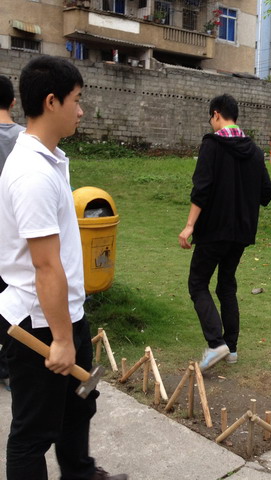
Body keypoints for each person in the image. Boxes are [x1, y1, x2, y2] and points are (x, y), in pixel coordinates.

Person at [0, 56, 127, 480]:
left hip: (65, 312)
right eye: (76, 99)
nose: (81, 110)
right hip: (38, 323)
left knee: (78, 405)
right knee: (33, 432)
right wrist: (60, 339)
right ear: (52, 102)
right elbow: (45, 265)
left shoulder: (50, 159)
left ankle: (81, 474)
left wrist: (70, 327)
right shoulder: (31, 174)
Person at [179, 94, 271, 371]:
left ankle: (216, 343)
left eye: (211, 118)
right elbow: (267, 193)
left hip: (214, 230)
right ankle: (231, 349)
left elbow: (202, 188)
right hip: (241, 233)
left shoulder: (212, 144)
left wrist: (189, 225)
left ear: (216, 114)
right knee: (226, 285)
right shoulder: (254, 151)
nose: (211, 123)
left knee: (198, 283)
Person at [0, 74, 25, 389]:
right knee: (13, 303)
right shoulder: (26, 139)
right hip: (17, 237)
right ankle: (8, 366)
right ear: (13, 102)